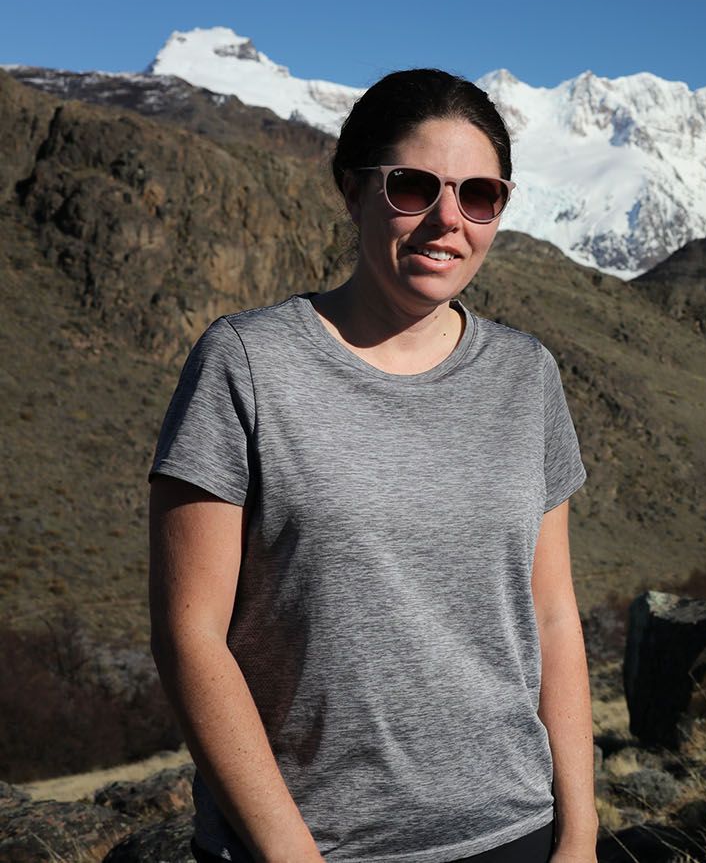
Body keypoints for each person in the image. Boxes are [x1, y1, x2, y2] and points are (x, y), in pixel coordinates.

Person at [148, 68, 598, 863]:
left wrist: (580, 834)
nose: (446, 221)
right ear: (352, 190)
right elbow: (189, 633)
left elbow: (555, 618)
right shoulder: (248, 364)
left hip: (514, 835)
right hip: (309, 847)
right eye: (412, 186)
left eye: (479, 195)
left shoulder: (527, 377)